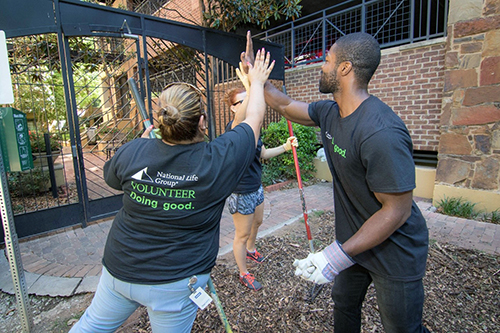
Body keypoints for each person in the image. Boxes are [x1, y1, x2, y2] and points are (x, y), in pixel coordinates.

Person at [69, 49, 275, 333]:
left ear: (161, 122)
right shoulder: (218, 160)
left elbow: (113, 180)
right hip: (176, 282)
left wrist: (141, 146)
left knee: (90, 327)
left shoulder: (135, 150)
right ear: (202, 122)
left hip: (120, 269)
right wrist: (257, 82)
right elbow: (253, 119)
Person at [241, 31, 430, 332]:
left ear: (345, 69)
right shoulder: (330, 113)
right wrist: (257, 77)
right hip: (357, 243)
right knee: (343, 302)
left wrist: (336, 255)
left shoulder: (380, 133)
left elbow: (397, 210)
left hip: (396, 251)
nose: (321, 66)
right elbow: (284, 104)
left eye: (327, 60)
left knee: (402, 328)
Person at [224, 83, 298, 291]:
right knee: (241, 234)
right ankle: (243, 273)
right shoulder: (235, 128)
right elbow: (240, 120)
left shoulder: (254, 127)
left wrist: (285, 147)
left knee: (257, 222)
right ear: (233, 108)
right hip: (241, 190)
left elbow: (262, 154)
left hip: (256, 186)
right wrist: (253, 83)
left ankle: (251, 249)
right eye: (243, 100)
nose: (249, 103)